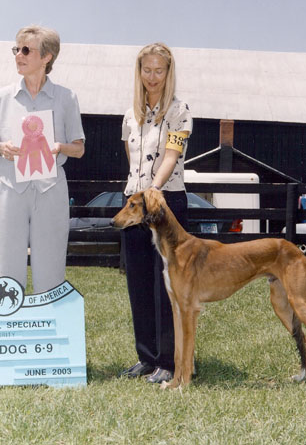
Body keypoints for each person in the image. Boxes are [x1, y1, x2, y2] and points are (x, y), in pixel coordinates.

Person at [0, 25, 85, 294]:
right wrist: (2, 147)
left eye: (26, 50)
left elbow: (79, 149)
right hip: (9, 190)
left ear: (47, 57)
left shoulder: (67, 98)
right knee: (6, 271)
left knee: (51, 271)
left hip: (51, 190)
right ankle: (7, 328)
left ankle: (48, 328)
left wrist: (59, 146)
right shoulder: (2, 97)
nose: (18, 56)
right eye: (16, 49)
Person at [120, 42, 193, 384]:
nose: (152, 77)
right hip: (135, 207)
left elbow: (170, 155)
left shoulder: (179, 111)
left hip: (166, 204)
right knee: (138, 283)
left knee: (166, 286)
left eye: (159, 70)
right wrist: (137, 197)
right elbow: (131, 160)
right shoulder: (130, 115)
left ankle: (169, 359)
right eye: (146, 70)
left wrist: (154, 189)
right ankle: (146, 357)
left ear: (168, 73)